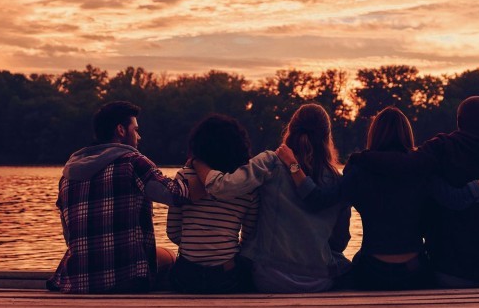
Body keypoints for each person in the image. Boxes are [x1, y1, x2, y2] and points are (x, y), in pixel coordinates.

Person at [277, 106, 479, 290]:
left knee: (345, 270)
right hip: (414, 272)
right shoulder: (422, 167)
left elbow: (318, 200)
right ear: (407, 134)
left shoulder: (359, 168)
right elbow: (458, 199)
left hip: (371, 272)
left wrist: (294, 166)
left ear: (374, 134)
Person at [352, 96, 479, 287]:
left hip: (450, 272)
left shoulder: (439, 151)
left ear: (459, 121)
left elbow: (403, 163)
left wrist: (362, 158)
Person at [193, 104, 351, 293]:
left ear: (291, 129)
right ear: (327, 138)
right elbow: (340, 242)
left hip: (269, 278)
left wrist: (198, 163)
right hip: (319, 281)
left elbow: (222, 187)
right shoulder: (337, 180)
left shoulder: (270, 162)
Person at [48, 101, 192, 293]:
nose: (139, 137)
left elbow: (69, 236)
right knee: (169, 257)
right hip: (126, 280)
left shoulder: (68, 175)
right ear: (121, 130)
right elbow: (176, 194)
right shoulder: (133, 162)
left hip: (79, 281)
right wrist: (195, 166)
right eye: (136, 130)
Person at [167, 115, 259, 294]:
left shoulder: (184, 176)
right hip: (227, 278)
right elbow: (249, 236)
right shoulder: (247, 185)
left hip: (186, 277)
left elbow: (173, 232)